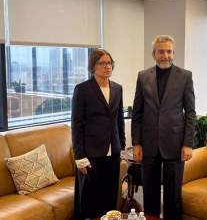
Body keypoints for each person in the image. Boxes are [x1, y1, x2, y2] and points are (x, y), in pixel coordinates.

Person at [131, 35, 196, 220]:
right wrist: (137, 143)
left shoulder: (185, 76)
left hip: (175, 143)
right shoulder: (143, 76)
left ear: (173, 53)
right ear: (154, 54)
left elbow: (190, 112)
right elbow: (137, 113)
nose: (165, 55)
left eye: (169, 51)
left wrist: (188, 144)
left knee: (173, 191)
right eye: (161, 51)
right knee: (149, 189)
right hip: (149, 143)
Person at [71, 49, 125, 219]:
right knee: (90, 199)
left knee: (109, 195)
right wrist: (80, 157)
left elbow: (119, 120)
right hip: (91, 153)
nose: (107, 66)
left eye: (109, 63)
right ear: (93, 67)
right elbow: (76, 125)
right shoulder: (82, 90)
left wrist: (121, 146)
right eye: (102, 63)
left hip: (113, 151)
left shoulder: (117, 88)